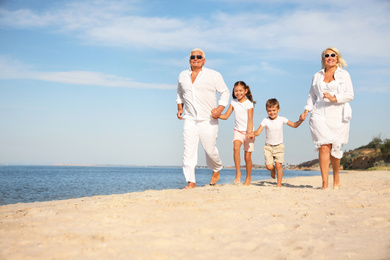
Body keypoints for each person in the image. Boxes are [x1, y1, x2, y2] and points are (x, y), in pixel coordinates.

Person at [300, 47, 354, 189]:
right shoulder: (317, 76)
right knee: (324, 147)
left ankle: (336, 175)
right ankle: (324, 184)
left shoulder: (344, 75)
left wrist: (334, 97)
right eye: (326, 55)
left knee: (335, 149)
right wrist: (306, 111)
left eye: (333, 55)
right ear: (323, 59)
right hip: (319, 114)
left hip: (338, 115)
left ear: (337, 58)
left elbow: (350, 95)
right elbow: (312, 96)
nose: (330, 57)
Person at [176, 48, 230, 189]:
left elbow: (225, 92)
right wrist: (180, 108)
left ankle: (217, 167)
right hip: (190, 119)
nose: (195, 58)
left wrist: (220, 109)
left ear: (204, 60)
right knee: (188, 150)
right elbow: (179, 93)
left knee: (210, 149)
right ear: (189, 60)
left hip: (208, 119)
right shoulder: (182, 75)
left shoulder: (214, 75)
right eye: (192, 57)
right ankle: (191, 182)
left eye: (199, 56)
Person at [248, 99, 303, 187]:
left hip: (279, 146)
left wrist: (300, 120)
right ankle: (272, 170)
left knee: (279, 165)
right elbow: (258, 132)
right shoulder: (265, 120)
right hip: (268, 147)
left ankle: (279, 184)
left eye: (274, 110)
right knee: (269, 166)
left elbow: (294, 125)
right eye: (269, 111)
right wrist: (252, 133)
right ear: (266, 110)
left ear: (278, 109)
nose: (272, 112)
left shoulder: (282, 119)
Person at [218, 81, 255, 185]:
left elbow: (250, 120)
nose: (238, 93)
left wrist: (250, 132)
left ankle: (248, 177)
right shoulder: (233, 102)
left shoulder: (249, 103)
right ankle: (238, 173)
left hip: (248, 131)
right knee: (236, 148)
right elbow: (225, 116)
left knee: (247, 157)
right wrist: (216, 115)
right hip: (238, 131)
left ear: (245, 91)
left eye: (240, 91)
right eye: (236, 91)